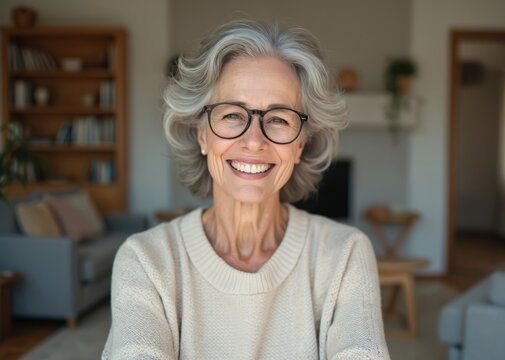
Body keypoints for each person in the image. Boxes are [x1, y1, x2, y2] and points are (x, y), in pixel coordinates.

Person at [103, 19, 390, 359]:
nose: (254, 141)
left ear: (300, 145)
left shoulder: (345, 256)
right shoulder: (147, 260)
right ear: (202, 135)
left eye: (280, 118)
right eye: (232, 115)